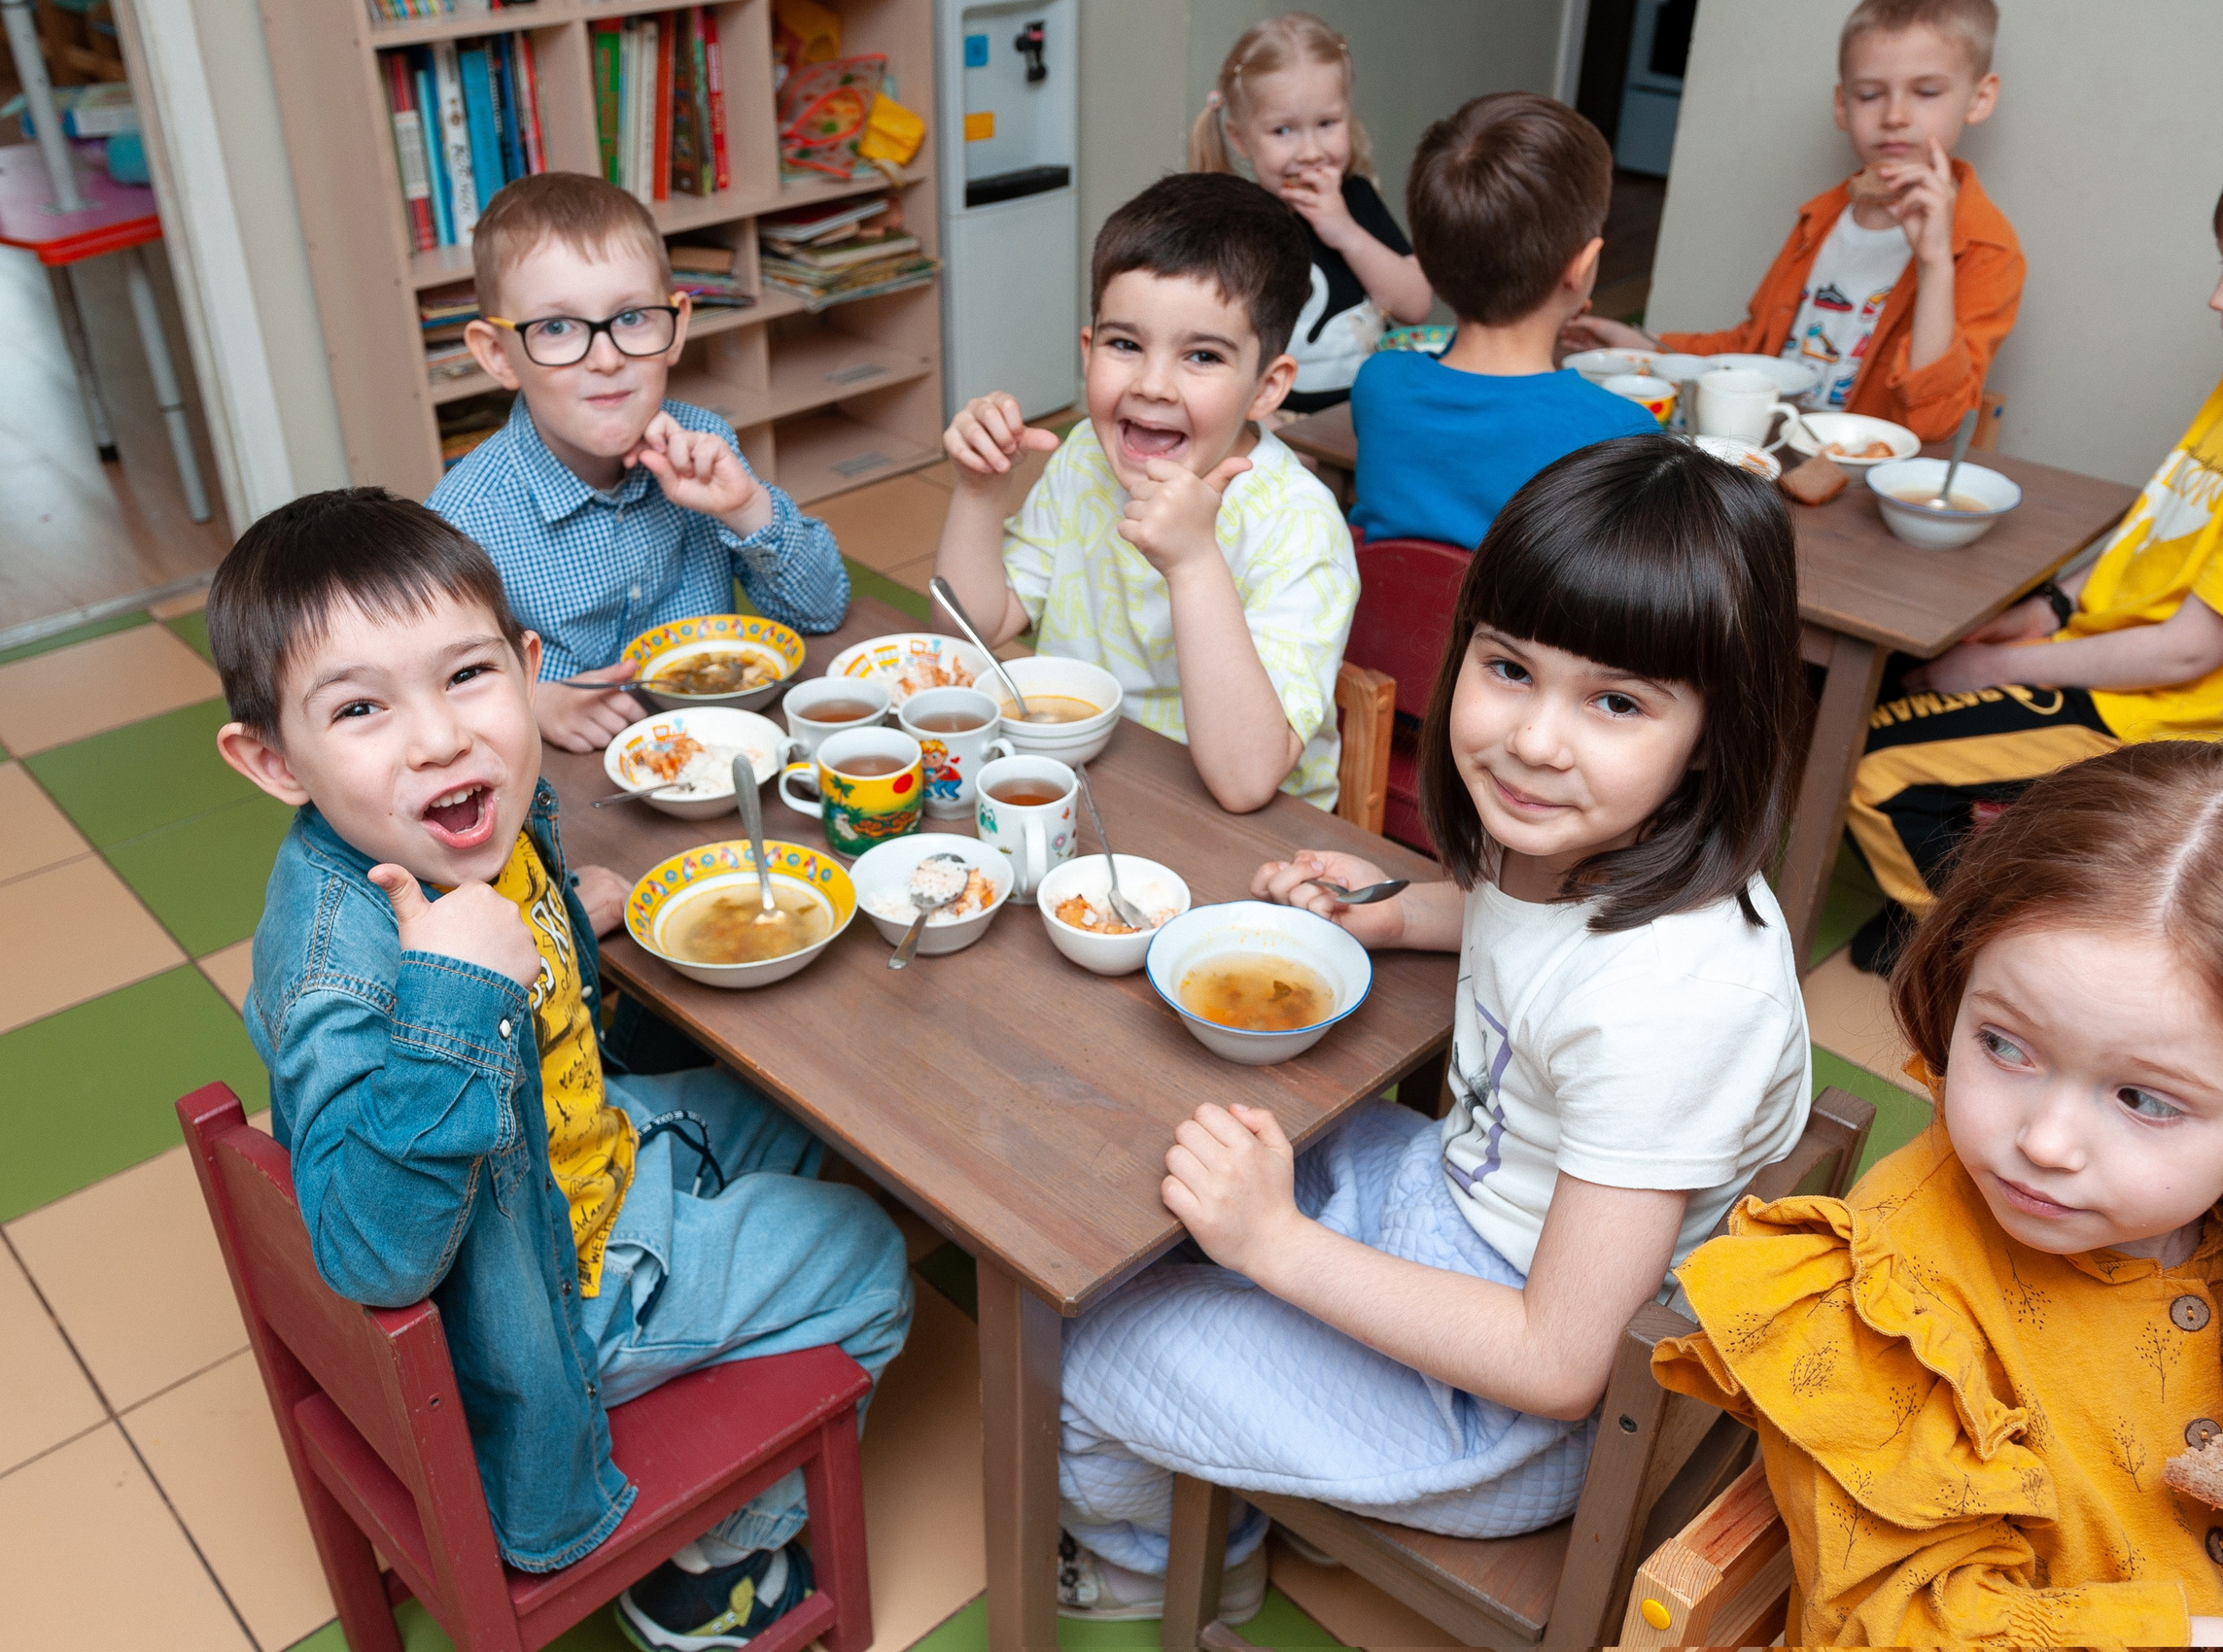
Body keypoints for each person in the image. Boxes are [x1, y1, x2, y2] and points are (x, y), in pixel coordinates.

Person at [1052, 435, 1814, 1622]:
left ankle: (1166, 1565)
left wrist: (1278, 1250)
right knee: (1145, 1193)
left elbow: (1559, 1363)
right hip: (1456, 1210)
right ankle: (1224, 1420)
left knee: (1081, 1351)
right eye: (1510, 668)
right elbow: (1531, 928)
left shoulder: (1675, 1000)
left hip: (1500, 1405)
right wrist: (1397, 912)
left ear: (1717, 730)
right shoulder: (1577, 841)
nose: (1535, 738)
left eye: (1615, 701)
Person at [205, 490, 911, 1652]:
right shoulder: (351, 961)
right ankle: (711, 1560)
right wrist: (456, 996)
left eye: (469, 676)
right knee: (873, 1259)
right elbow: (371, 1253)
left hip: (582, 1153)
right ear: (272, 758)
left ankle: (715, 1264)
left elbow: (545, 992)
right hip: (549, 1299)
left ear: (530, 670)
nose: (440, 736)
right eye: (362, 707)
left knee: (825, 1117)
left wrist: (570, 918)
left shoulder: (469, 813)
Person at [1656, 741, 2223, 1648]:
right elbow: (1909, 1625)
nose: (2043, 1142)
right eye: (2004, 1045)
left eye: (2142, 1099)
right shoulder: (1886, 1309)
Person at [1843, 189, 2223, 974]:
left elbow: (2188, 653)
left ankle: (1960, 973)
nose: (2215, 300)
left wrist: (1999, 664)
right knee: (1886, 692)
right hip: (2109, 657)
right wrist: (2050, 607)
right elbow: (2152, 533)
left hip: (2159, 715)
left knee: (1873, 772)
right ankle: (1943, 904)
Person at [931, 171, 1357, 813]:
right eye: (1125, 344)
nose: (1153, 385)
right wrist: (978, 493)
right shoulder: (1083, 460)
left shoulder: (1298, 523)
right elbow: (972, 631)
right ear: (1088, 349)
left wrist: (1193, 560)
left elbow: (1246, 782)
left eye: (1203, 357)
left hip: (1243, 837)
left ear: (1268, 387)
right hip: (1088, 788)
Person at [431, 173, 849, 754]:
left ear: (675, 327)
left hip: (717, 748)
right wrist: (534, 702)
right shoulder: (465, 518)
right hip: (568, 787)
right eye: (556, 327)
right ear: (499, 355)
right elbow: (434, 693)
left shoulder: (706, 444)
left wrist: (747, 510)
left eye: (630, 318)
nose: (606, 358)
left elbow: (823, 610)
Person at [1565, 0, 2020, 442]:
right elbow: (1755, 348)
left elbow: (1935, 423)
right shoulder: (1821, 218)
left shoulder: (1985, 250)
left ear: (1979, 99)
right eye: (1869, 94)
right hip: (1775, 458)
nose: (1894, 116)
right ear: (1843, 106)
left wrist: (1935, 264)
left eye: (1925, 92)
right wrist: (1643, 344)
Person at [1345, 92, 1657, 550]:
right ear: (1583, 266)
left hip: (1387, 620)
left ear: (1430, 262)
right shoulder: (1622, 432)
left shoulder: (1379, 383)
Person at [1186, 11, 1433, 415]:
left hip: (1370, 408)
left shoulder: (1356, 198)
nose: (1311, 151)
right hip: (1273, 417)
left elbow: (1416, 305)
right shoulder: (1234, 218)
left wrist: (1346, 232)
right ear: (1240, 137)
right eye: (1283, 131)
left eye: (1327, 123)